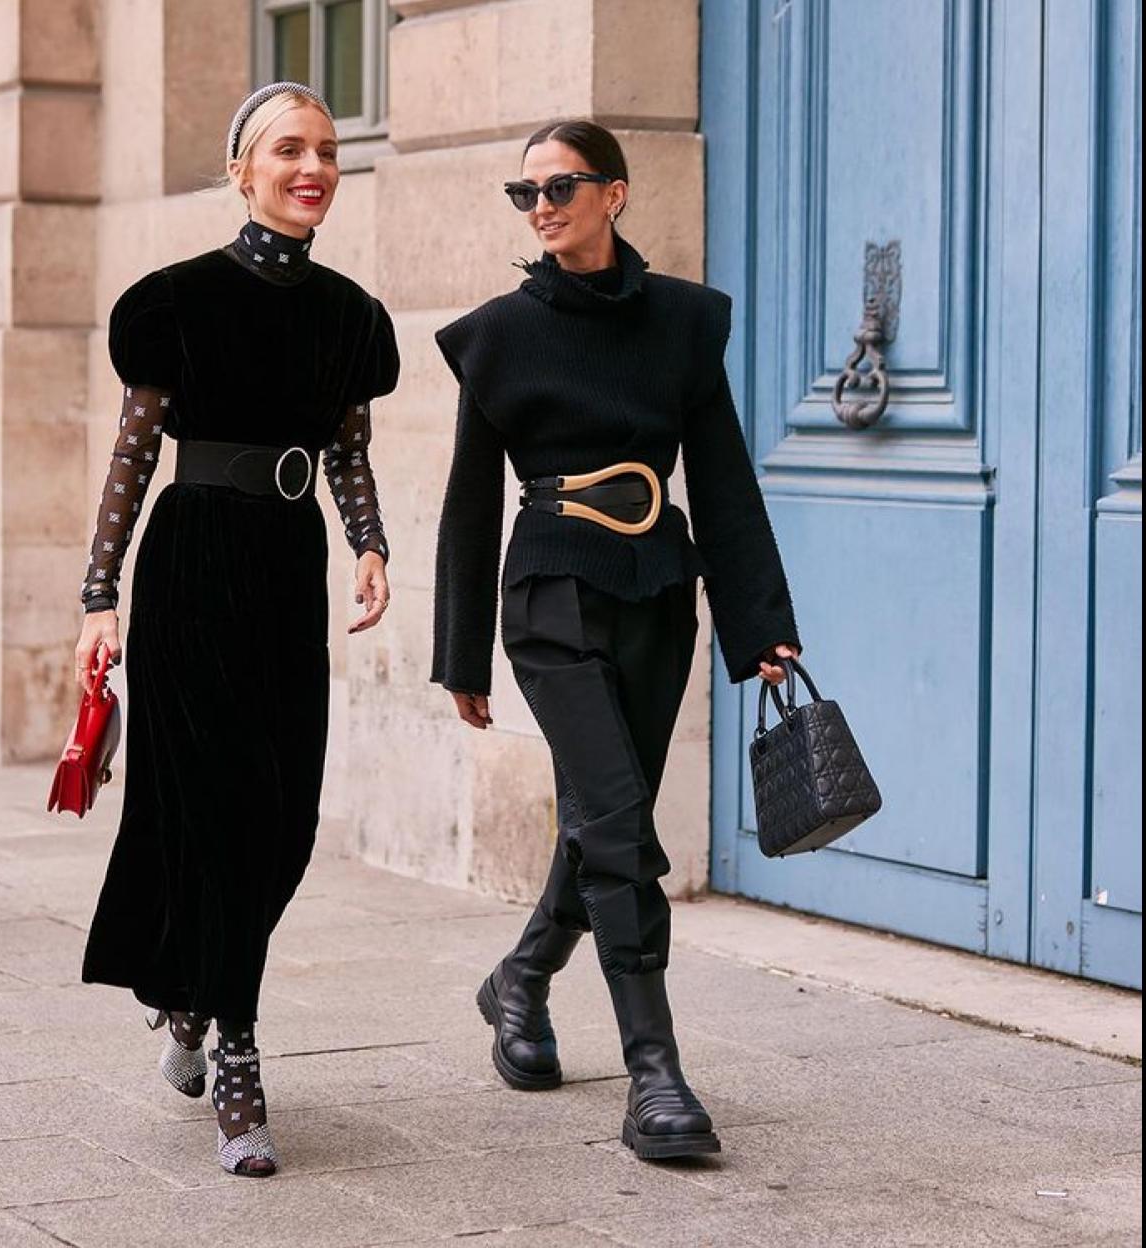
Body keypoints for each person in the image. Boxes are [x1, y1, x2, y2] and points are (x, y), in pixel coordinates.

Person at [431, 120, 800, 1161]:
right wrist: (462, 652)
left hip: (656, 590)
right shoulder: (499, 334)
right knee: (621, 821)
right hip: (550, 591)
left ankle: (521, 978)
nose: (541, 207)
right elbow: (468, 502)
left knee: (606, 814)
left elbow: (721, 479)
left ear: (616, 194)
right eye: (526, 193)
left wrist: (761, 624)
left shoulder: (683, 322)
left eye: (561, 187)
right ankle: (656, 1075)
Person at [75, 82, 399, 1177]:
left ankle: (187, 996)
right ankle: (239, 1057)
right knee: (214, 808)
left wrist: (369, 543)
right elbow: (132, 456)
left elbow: (347, 447)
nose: (313, 168)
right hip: (191, 565)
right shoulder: (174, 302)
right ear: (241, 170)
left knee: (286, 820)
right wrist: (99, 596)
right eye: (288, 149)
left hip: (286, 567)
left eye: (327, 150)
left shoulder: (350, 317)